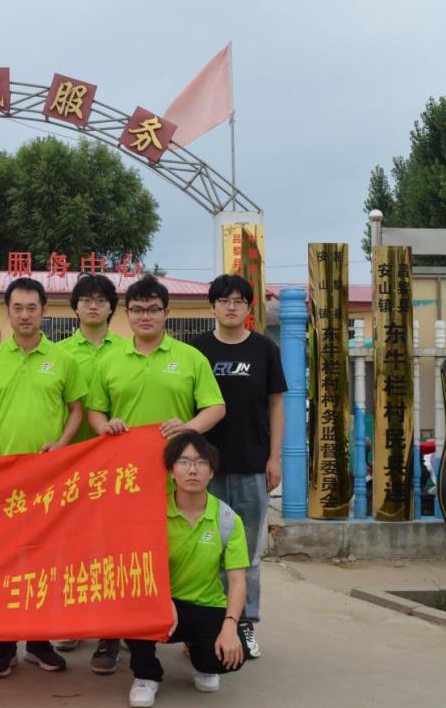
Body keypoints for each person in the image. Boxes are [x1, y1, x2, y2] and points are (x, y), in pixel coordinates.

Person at [0, 276, 88, 678]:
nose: (24, 315)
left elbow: (77, 409)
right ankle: (4, 647)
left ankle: (38, 643)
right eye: (17, 308)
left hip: (48, 478)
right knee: (4, 561)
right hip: (3, 478)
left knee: (44, 562)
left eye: (31, 308)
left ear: (44, 311)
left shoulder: (63, 359)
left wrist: (62, 444)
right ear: (7, 311)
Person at [190, 275, 287, 658]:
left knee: (246, 552)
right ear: (212, 306)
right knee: (204, 550)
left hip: (251, 466)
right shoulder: (197, 350)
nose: (231, 307)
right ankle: (207, 623)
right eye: (224, 300)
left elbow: (276, 405)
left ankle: (245, 622)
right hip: (204, 469)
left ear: (248, 307)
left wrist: (274, 457)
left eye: (238, 301)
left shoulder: (264, 349)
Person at [126, 430, 250, 707]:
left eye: (201, 462)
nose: (192, 469)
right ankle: (146, 674)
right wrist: (162, 600)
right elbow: (138, 566)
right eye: (183, 462)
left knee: (230, 655)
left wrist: (230, 625)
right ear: (171, 471)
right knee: (131, 607)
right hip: (160, 604)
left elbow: (238, 581)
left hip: (205, 604)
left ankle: (201, 658)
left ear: (211, 472)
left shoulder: (227, 519)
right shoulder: (152, 514)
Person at [52, 273, 125, 671]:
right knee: (71, 545)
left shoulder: (129, 349)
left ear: (112, 307)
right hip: (70, 465)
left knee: (113, 547)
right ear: (75, 307)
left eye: (101, 299)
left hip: (116, 470)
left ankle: (113, 625)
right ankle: (72, 619)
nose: (93, 305)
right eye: (86, 299)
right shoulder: (60, 353)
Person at [88, 274, 225, 442]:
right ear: (127, 313)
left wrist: (188, 428)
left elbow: (216, 407)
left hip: (176, 454)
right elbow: (95, 410)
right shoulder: (108, 361)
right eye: (137, 310)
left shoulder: (192, 357)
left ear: (166, 313)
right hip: (126, 455)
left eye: (154, 310)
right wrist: (104, 427)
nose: (145, 317)